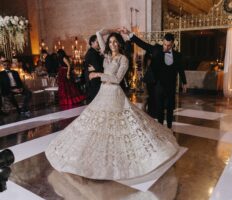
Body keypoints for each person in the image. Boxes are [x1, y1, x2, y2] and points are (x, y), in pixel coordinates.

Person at [45, 29, 179, 180]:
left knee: (118, 126)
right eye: (110, 42)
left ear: (120, 44)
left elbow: (116, 79)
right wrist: (112, 30)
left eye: (115, 41)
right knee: (96, 124)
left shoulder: (124, 59)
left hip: (114, 93)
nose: (112, 44)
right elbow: (97, 33)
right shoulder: (107, 55)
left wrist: (97, 74)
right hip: (103, 92)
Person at [122, 28, 187, 128]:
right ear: (163, 42)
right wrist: (130, 34)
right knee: (159, 108)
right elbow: (142, 44)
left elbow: (181, 69)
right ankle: (161, 127)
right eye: (165, 44)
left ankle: (169, 128)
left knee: (170, 108)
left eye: (168, 45)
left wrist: (184, 82)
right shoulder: (156, 49)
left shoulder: (178, 56)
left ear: (173, 44)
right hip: (159, 85)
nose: (166, 47)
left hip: (170, 85)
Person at [84, 35, 104, 103]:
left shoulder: (94, 52)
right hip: (94, 81)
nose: (99, 44)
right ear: (92, 43)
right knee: (95, 102)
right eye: (97, 42)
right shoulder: (92, 53)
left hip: (95, 80)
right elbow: (98, 67)